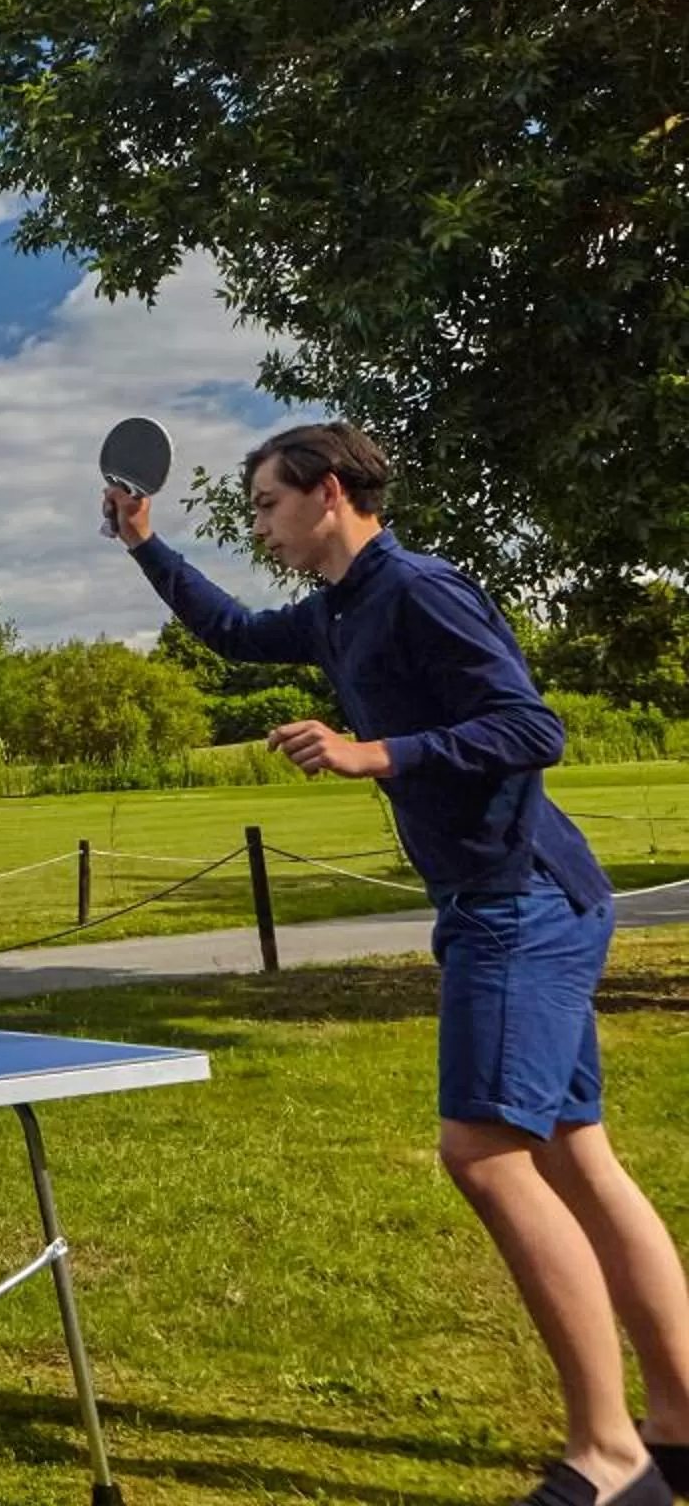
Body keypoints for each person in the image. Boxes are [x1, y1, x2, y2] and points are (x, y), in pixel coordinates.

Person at [111, 421, 689, 1506]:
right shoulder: (337, 610)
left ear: (329, 492)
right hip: (520, 895)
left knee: (483, 1153)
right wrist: (146, 544)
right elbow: (235, 632)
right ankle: (683, 1420)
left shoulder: (416, 588)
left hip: (520, 901)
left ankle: (612, 1459)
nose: (263, 527)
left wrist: (376, 750)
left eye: (270, 505)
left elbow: (530, 724)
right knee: (577, 1157)